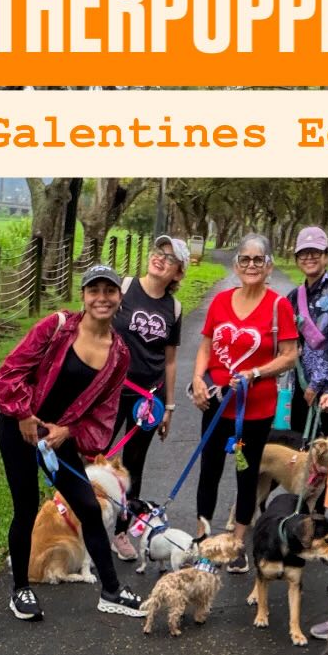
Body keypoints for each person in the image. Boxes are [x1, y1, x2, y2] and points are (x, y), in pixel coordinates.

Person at [0, 264, 143, 621]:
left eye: (109, 291)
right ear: (84, 296)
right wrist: (24, 414)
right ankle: (20, 590)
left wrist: (68, 431)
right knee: (26, 508)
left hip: (58, 438)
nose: (102, 298)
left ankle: (111, 591)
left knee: (88, 507)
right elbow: (11, 371)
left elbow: (103, 409)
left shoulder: (119, 354)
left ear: (119, 297)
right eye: (95, 291)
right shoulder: (57, 327)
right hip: (19, 427)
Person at [192, 235, 297, 571]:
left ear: (269, 266)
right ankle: (203, 538)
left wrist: (256, 373)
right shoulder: (221, 301)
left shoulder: (279, 306)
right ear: (236, 265)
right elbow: (206, 346)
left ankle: (238, 543)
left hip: (255, 410)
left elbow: (290, 355)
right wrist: (197, 379)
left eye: (258, 259)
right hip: (217, 403)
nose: (251, 265)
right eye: (245, 259)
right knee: (209, 469)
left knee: (246, 473)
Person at [111, 234, 188, 555]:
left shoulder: (174, 308)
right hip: (111, 391)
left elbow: (170, 361)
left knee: (134, 464)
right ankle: (81, 521)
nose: (160, 259)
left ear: (178, 272)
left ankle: (121, 531)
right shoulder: (124, 287)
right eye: (159, 252)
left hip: (147, 399)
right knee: (94, 453)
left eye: (170, 258)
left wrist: (168, 407)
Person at [289, 224, 328, 427]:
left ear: (326, 256)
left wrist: (316, 383)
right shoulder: (294, 296)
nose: (309, 258)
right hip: (299, 380)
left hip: (326, 387)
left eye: (315, 252)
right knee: (296, 436)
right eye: (303, 253)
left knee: (319, 440)